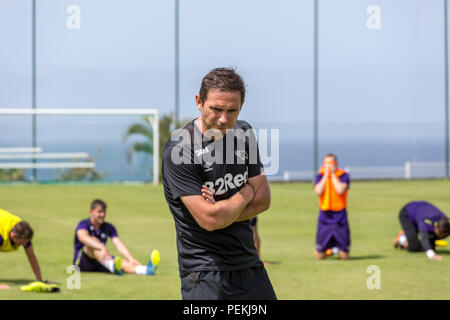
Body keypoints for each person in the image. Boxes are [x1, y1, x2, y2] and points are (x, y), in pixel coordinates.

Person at [162, 67, 276, 300]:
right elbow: (210, 219)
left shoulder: (244, 132)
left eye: (231, 110)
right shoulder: (181, 149)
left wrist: (222, 208)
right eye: (216, 109)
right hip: (205, 273)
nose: (224, 119)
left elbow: (264, 198)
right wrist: (245, 192)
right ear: (199, 102)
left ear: (241, 106)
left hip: (249, 266)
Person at [73, 199, 160, 275]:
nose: (102, 215)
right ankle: (111, 265)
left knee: (122, 262)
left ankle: (145, 270)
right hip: (82, 262)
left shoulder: (108, 227)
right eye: (99, 212)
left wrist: (130, 259)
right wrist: (101, 247)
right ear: (91, 212)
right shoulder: (83, 224)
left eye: (104, 212)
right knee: (93, 242)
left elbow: (118, 244)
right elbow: (82, 237)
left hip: (101, 260)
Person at [313, 154, 350, 260]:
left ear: (336, 164)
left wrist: (333, 174)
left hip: (340, 216)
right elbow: (318, 191)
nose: (328, 166)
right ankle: (329, 249)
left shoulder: (343, 175)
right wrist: (325, 176)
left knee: (344, 256)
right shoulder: (320, 176)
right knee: (319, 255)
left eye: (331, 163)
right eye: (326, 163)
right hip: (325, 216)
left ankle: (336, 249)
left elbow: (340, 190)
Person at [0, 208, 43, 290]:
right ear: (13, 236)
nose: (25, 244)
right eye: (22, 242)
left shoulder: (23, 231)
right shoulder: (1, 235)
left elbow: (31, 256)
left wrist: (39, 280)